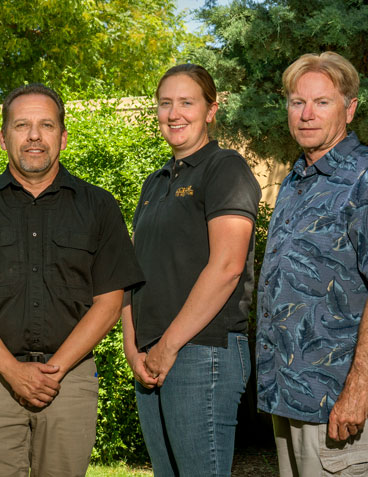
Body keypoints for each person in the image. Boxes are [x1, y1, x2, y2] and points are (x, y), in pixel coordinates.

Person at [0, 83, 144, 476]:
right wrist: (13, 372)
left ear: (62, 137)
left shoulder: (99, 206)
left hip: (71, 378)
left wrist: (56, 369)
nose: (33, 136)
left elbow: (109, 302)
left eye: (46, 125)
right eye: (21, 125)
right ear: (3, 137)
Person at [257, 51, 368, 476]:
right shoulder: (294, 182)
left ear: (350, 107)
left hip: (339, 405)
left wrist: (357, 389)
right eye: (296, 102)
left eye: (322, 102)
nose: (306, 114)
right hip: (289, 399)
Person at [121, 64, 261, 476]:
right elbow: (133, 274)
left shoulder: (225, 168)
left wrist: (168, 345)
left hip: (203, 352)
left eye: (187, 102)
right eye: (166, 103)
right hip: (150, 357)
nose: (174, 113)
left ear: (211, 110)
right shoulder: (154, 183)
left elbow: (227, 266)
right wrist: (134, 348)